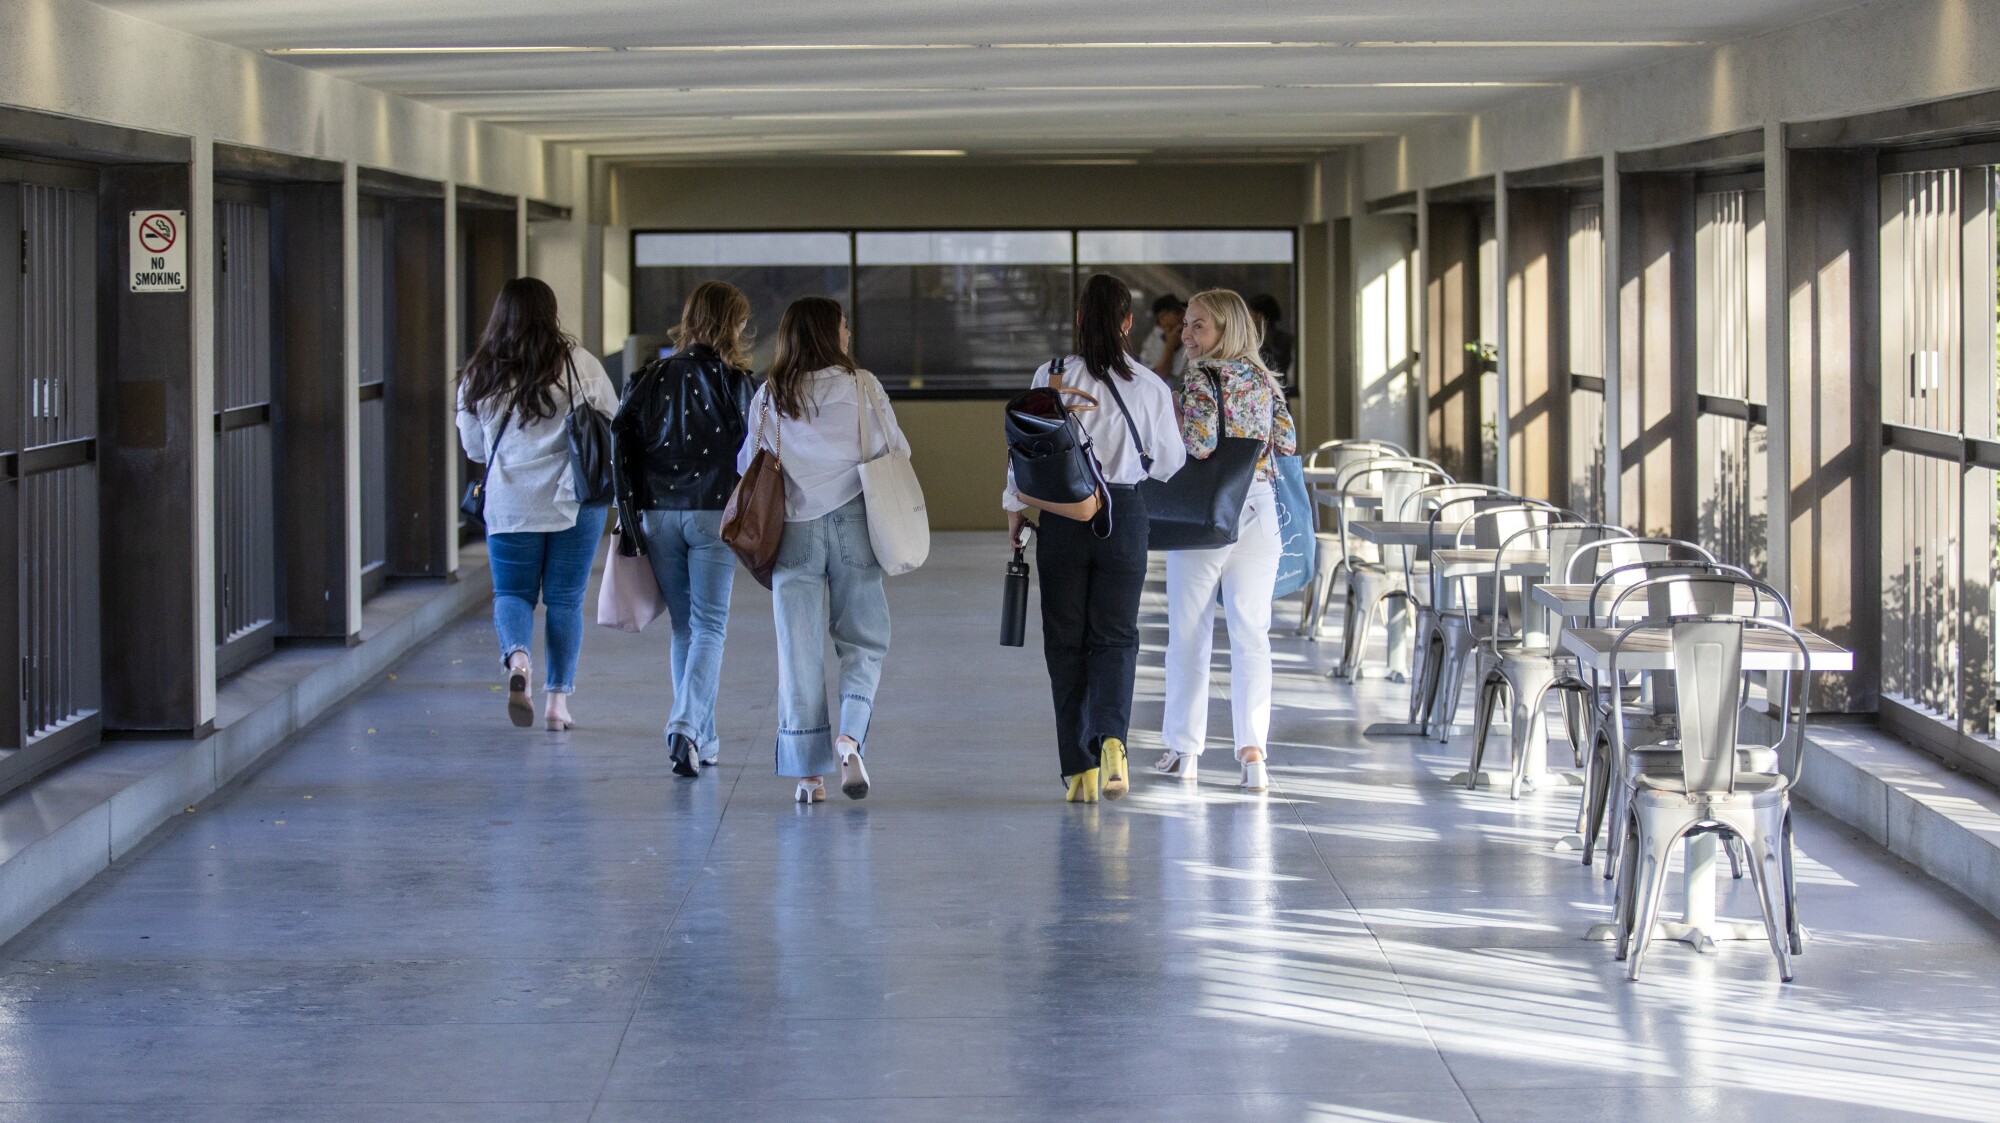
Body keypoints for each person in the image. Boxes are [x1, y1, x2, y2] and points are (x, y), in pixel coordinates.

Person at [1006, 274, 1186, 802]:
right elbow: (1171, 463)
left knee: (1066, 641)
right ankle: (1113, 741)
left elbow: (1025, 449)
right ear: (1129, 323)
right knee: (1116, 635)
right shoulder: (1150, 386)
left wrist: (1015, 510)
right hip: (1124, 513)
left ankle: (1077, 769)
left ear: (1080, 319)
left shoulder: (1052, 373)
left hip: (1062, 515)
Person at [738, 297, 909, 804]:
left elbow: (749, 461)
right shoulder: (863, 387)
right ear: (828, 334)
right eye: (843, 327)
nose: (849, 334)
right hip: (855, 523)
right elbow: (895, 450)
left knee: (799, 651)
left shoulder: (770, 395)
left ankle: (808, 776)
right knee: (863, 641)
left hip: (793, 529)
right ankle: (850, 739)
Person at [456, 277, 619, 731]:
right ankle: (556, 704)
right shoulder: (578, 365)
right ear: (550, 313)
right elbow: (613, 421)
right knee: (565, 602)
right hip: (573, 501)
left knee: (512, 594)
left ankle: (520, 662)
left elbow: (473, 446)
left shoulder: (479, 373)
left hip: (509, 504)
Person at [612, 280, 757, 778]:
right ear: (728, 324)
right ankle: (685, 724)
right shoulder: (737, 382)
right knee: (710, 626)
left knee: (684, 627)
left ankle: (703, 737)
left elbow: (622, 442)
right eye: (740, 320)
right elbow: (753, 451)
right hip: (713, 513)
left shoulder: (647, 377)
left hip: (656, 513)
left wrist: (630, 516)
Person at [1156, 289, 1297, 791]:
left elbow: (1197, 446)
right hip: (1260, 512)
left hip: (1206, 515)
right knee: (1251, 634)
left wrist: (1173, 414)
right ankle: (1253, 753)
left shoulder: (1201, 379)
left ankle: (1184, 750)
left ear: (1225, 331)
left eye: (1199, 327)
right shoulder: (1264, 379)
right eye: (1186, 325)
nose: (1186, 335)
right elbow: (1287, 444)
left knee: (1189, 635)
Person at [1137, 292, 1190, 388]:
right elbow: (1160, 376)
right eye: (1177, 313)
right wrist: (1170, 345)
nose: (1182, 316)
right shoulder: (1155, 339)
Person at [1247, 293, 1297, 388]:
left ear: (1260, 315)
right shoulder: (1287, 339)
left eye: (1251, 312)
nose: (1249, 317)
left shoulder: (1256, 342)